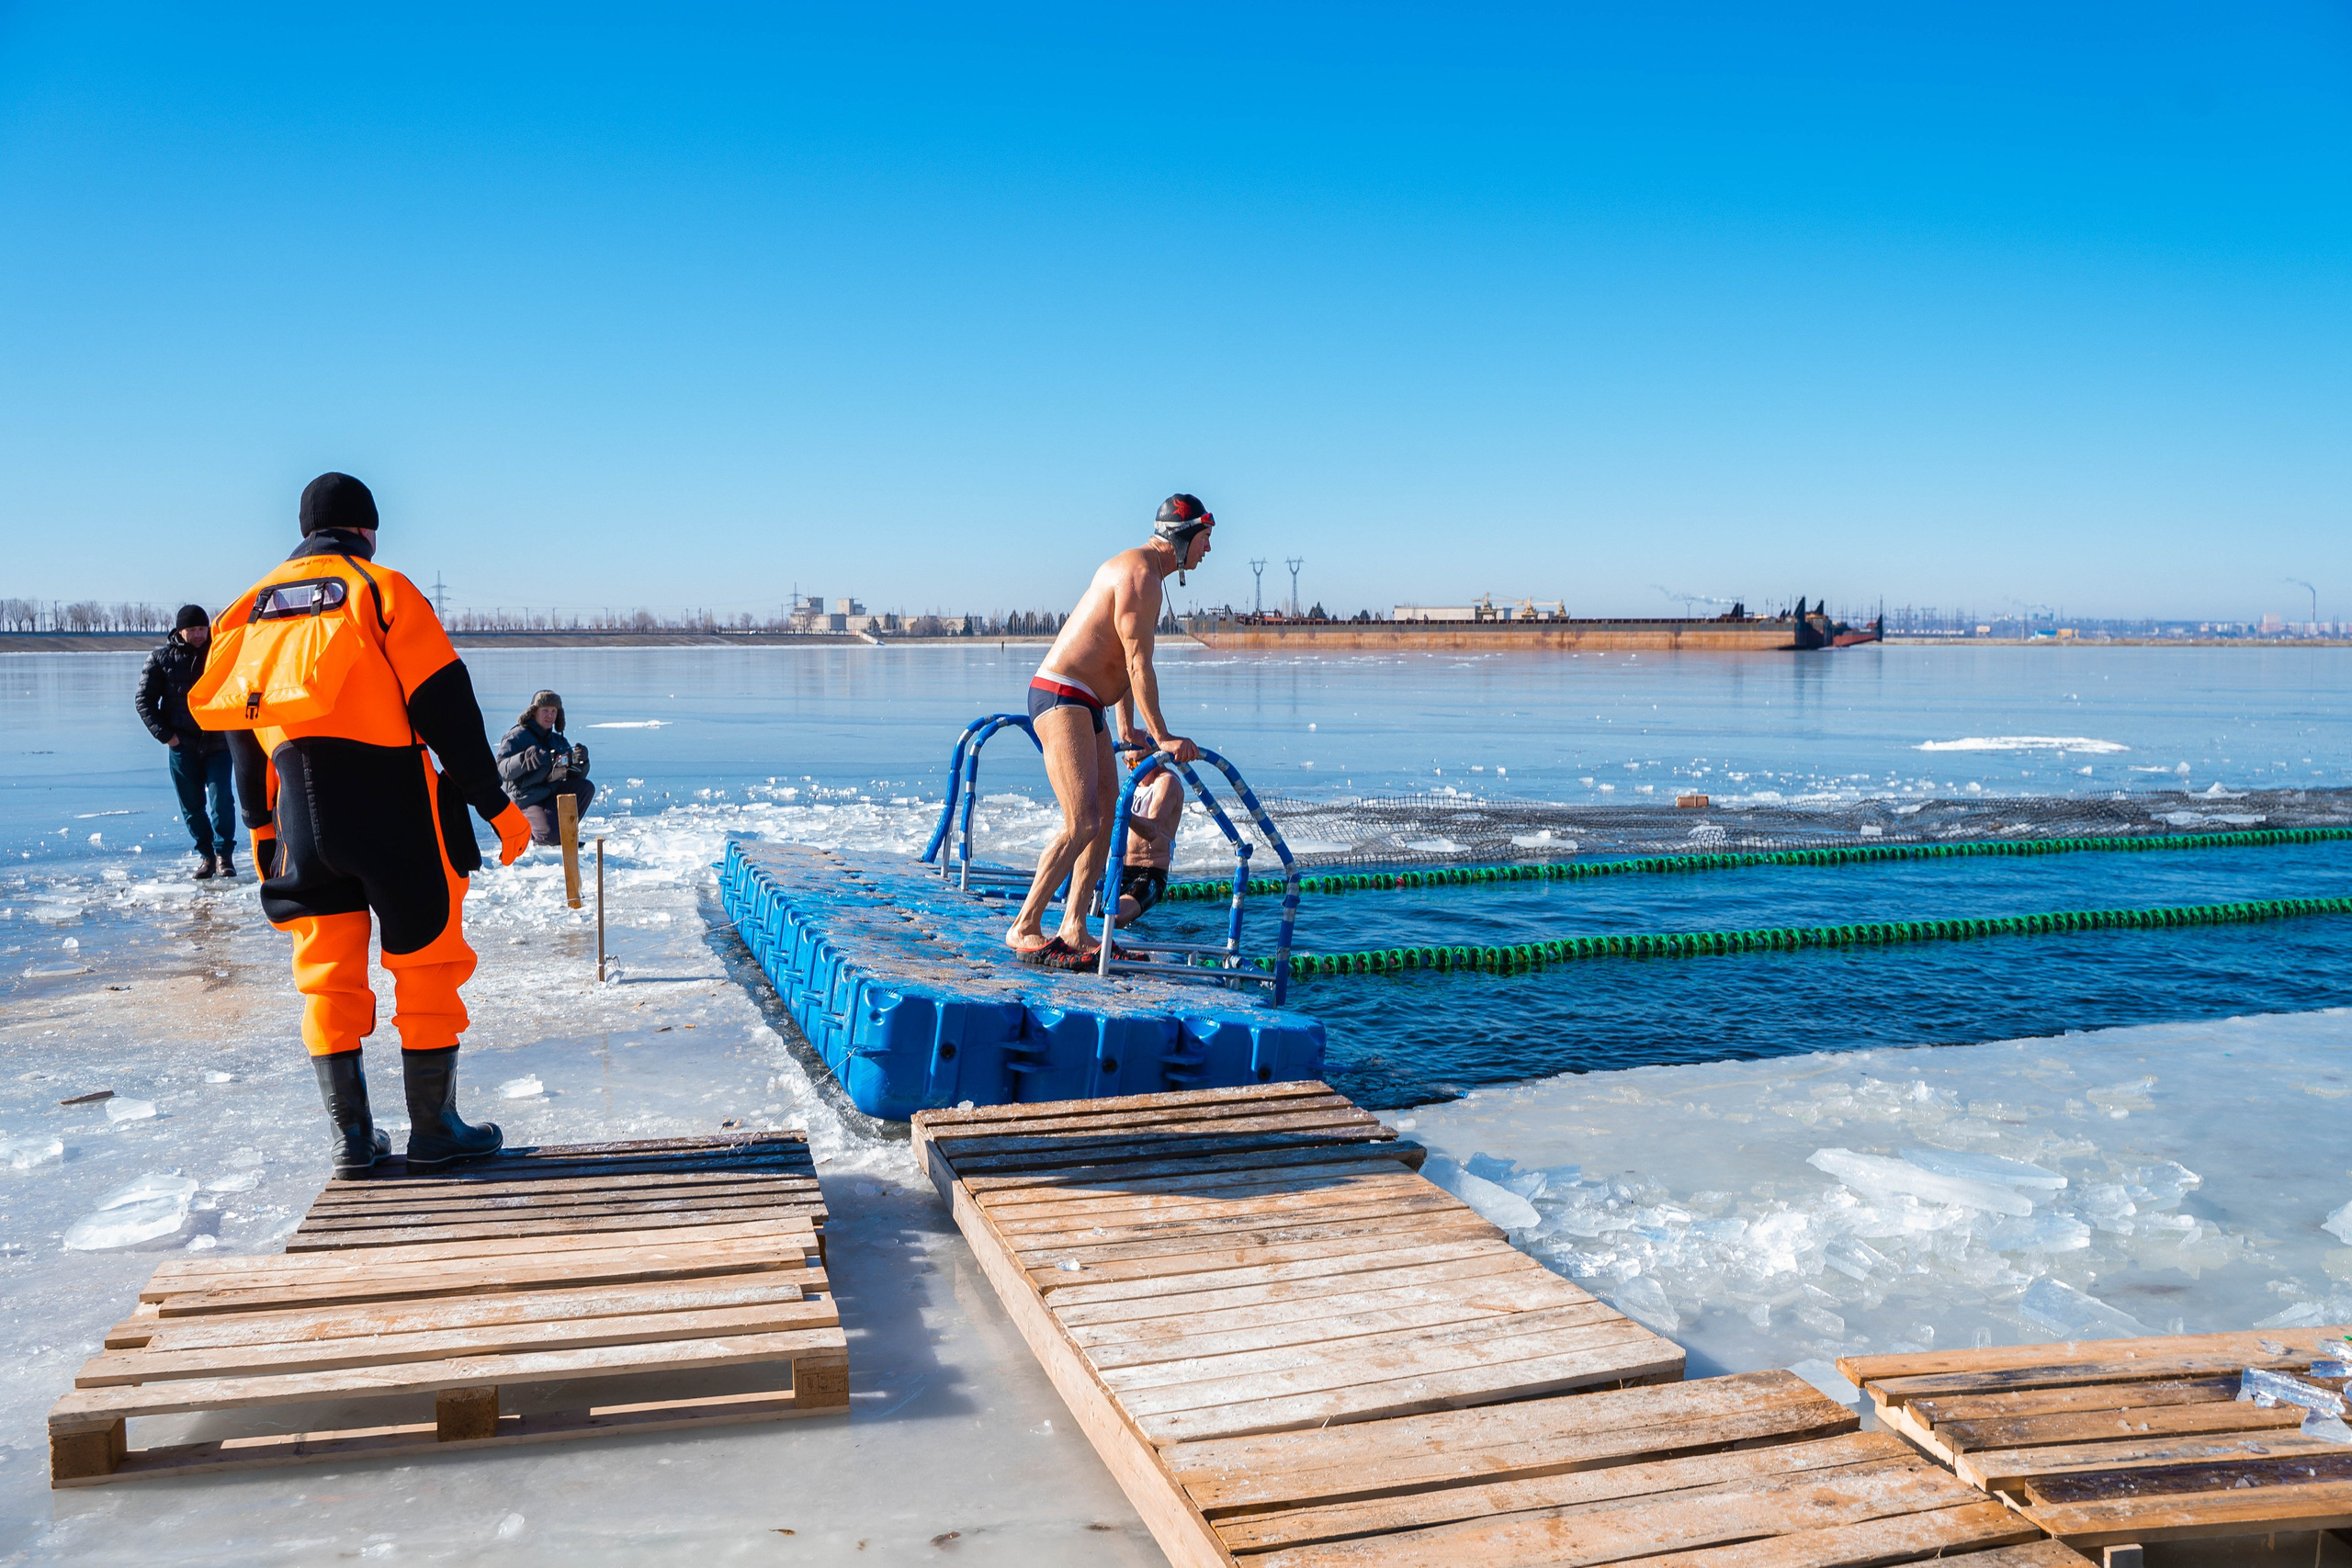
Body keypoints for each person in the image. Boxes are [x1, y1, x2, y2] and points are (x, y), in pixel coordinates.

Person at [209, 472, 531, 1178]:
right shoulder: (380, 590)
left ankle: (352, 1139)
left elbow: (240, 735)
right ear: (367, 527)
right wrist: (496, 806)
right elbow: (446, 704)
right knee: (426, 961)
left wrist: (264, 832)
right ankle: (436, 1128)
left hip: (299, 820)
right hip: (396, 816)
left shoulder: (246, 611)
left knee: (327, 976)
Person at [1006, 493, 1214, 966]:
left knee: (1104, 819)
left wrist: (1127, 735)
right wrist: (1161, 737)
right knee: (1082, 821)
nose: (1208, 550)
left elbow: (1119, 661)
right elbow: (1139, 665)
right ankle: (1024, 925)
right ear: (1182, 538)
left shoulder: (1145, 572)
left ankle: (1075, 927)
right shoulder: (1140, 575)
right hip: (1062, 695)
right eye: (1205, 539)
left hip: (1087, 703)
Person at [134, 604, 238, 879]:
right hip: (182, 745)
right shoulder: (160, 659)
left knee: (222, 801)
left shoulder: (219, 654)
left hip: (218, 743)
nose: (198, 635)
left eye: (202, 629)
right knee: (192, 807)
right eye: (192, 630)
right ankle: (206, 856)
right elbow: (144, 701)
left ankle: (224, 856)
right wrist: (167, 736)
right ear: (180, 631)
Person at [496, 689, 594, 845]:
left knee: (585, 788)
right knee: (549, 836)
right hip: (525, 798)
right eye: (545, 710)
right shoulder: (517, 736)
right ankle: (531, 835)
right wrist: (524, 759)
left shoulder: (558, 740)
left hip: (549, 792)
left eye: (554, 711)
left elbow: (576, 776)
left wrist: (582, 762)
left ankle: (566, 832)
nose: (550, 715)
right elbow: (500, 771)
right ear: (534, 712)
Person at [1114, 765, 1184, 925]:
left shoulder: (1167, 781)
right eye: (1126, 760)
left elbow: (1152, 831)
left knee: (1116, 916)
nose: (1128, 767)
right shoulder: (1133, 784)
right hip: (1119, 870)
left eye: (1134, 763)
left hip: (1148, 872)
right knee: (1089, 912)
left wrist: (1123, 814)